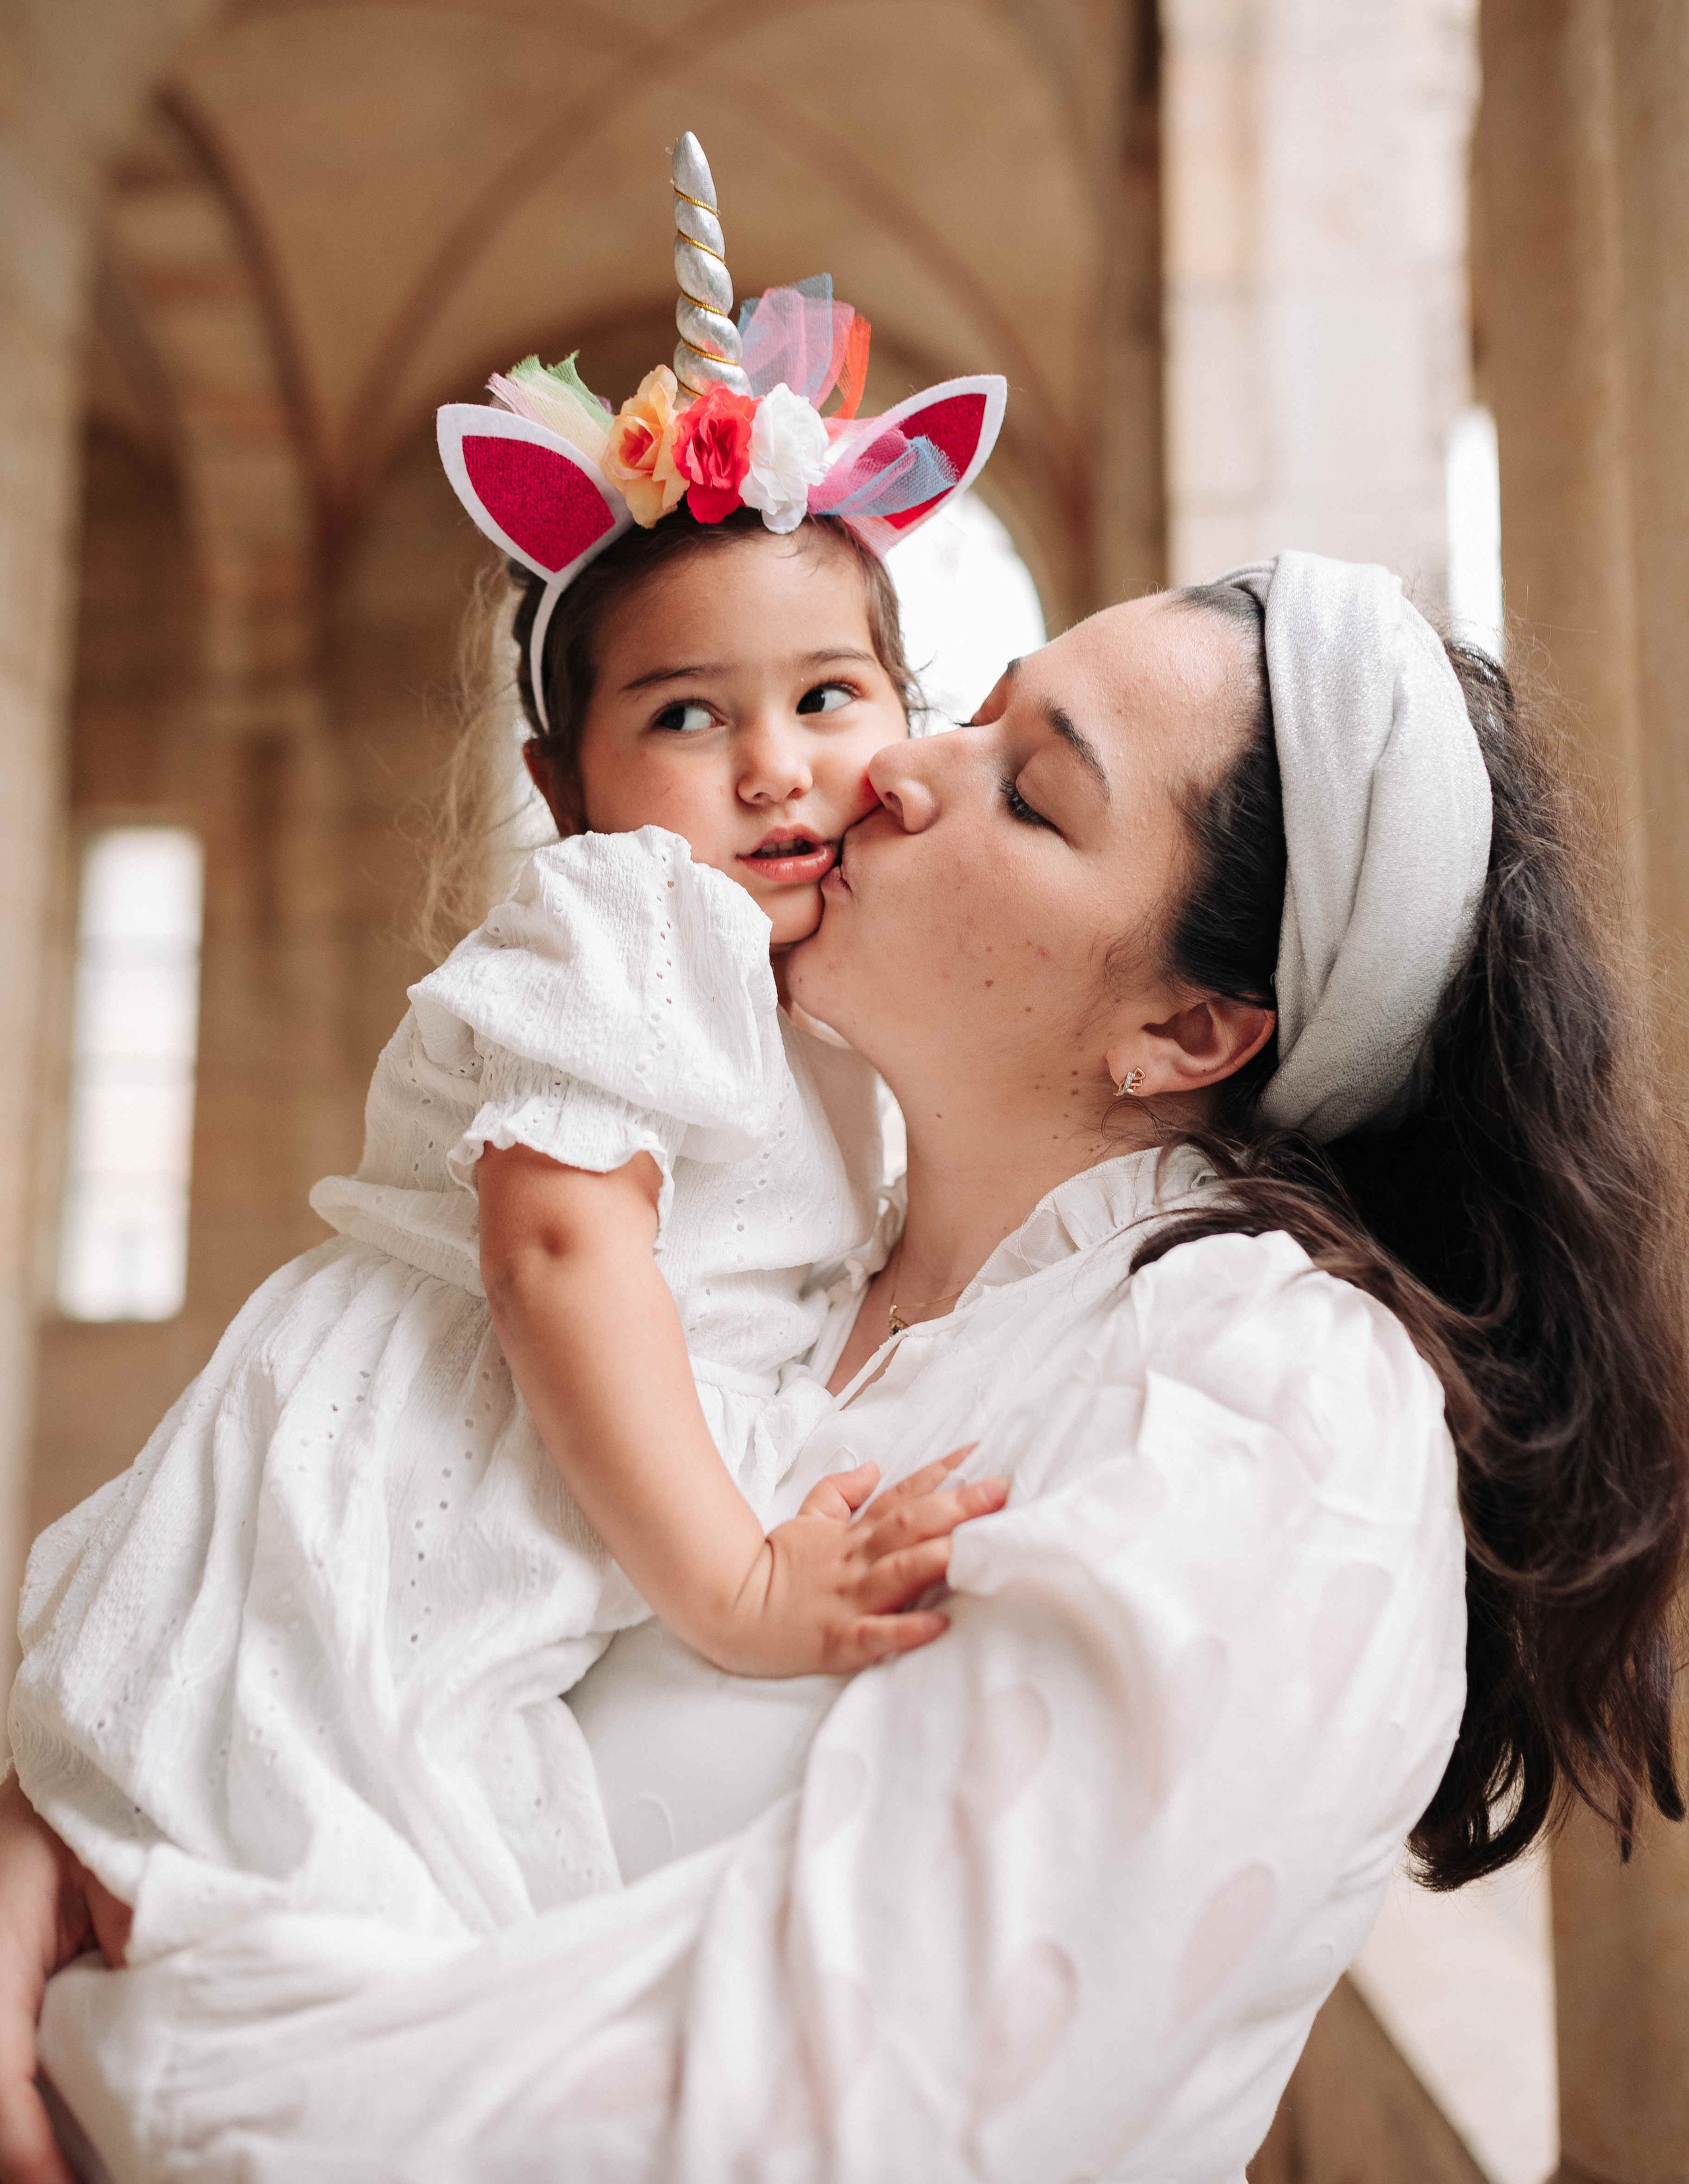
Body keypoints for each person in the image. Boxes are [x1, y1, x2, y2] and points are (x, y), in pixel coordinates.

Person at [0, 544, 1682, 2184]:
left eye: (1027, 792)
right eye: (976, 709)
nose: (884, 764)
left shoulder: (1267, 1401)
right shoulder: (764, 1296)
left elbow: (830, 2141)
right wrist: (99, 1789)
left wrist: (130, 2040)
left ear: (1187, 1028)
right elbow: (375, 1549)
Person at [8, 142, 1016, 1969]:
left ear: (908, 715)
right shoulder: (639, 919)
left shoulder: (818, 959)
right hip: (409, 1469)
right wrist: (732, 1583)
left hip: (545, 1479)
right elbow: (558, 1247)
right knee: (319, 1892)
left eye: (826, 697)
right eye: (686, 715)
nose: (775, 764)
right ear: (565, 788)